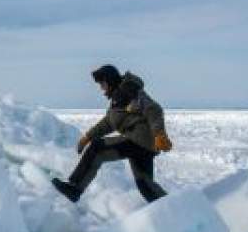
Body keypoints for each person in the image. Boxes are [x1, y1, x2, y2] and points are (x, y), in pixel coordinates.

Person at [52, 64, 172, 203]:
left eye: (102, 83)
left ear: (110, 80)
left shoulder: (129, 90)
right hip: (143, 145)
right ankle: (175, 210)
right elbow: (109, 122)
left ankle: (75, 188)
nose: (101, 87)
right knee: (145, 186)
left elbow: (153, 109)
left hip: (138, 139)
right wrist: (88, 136)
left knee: (97, 149)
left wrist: (159, 134)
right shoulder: (118, 98)